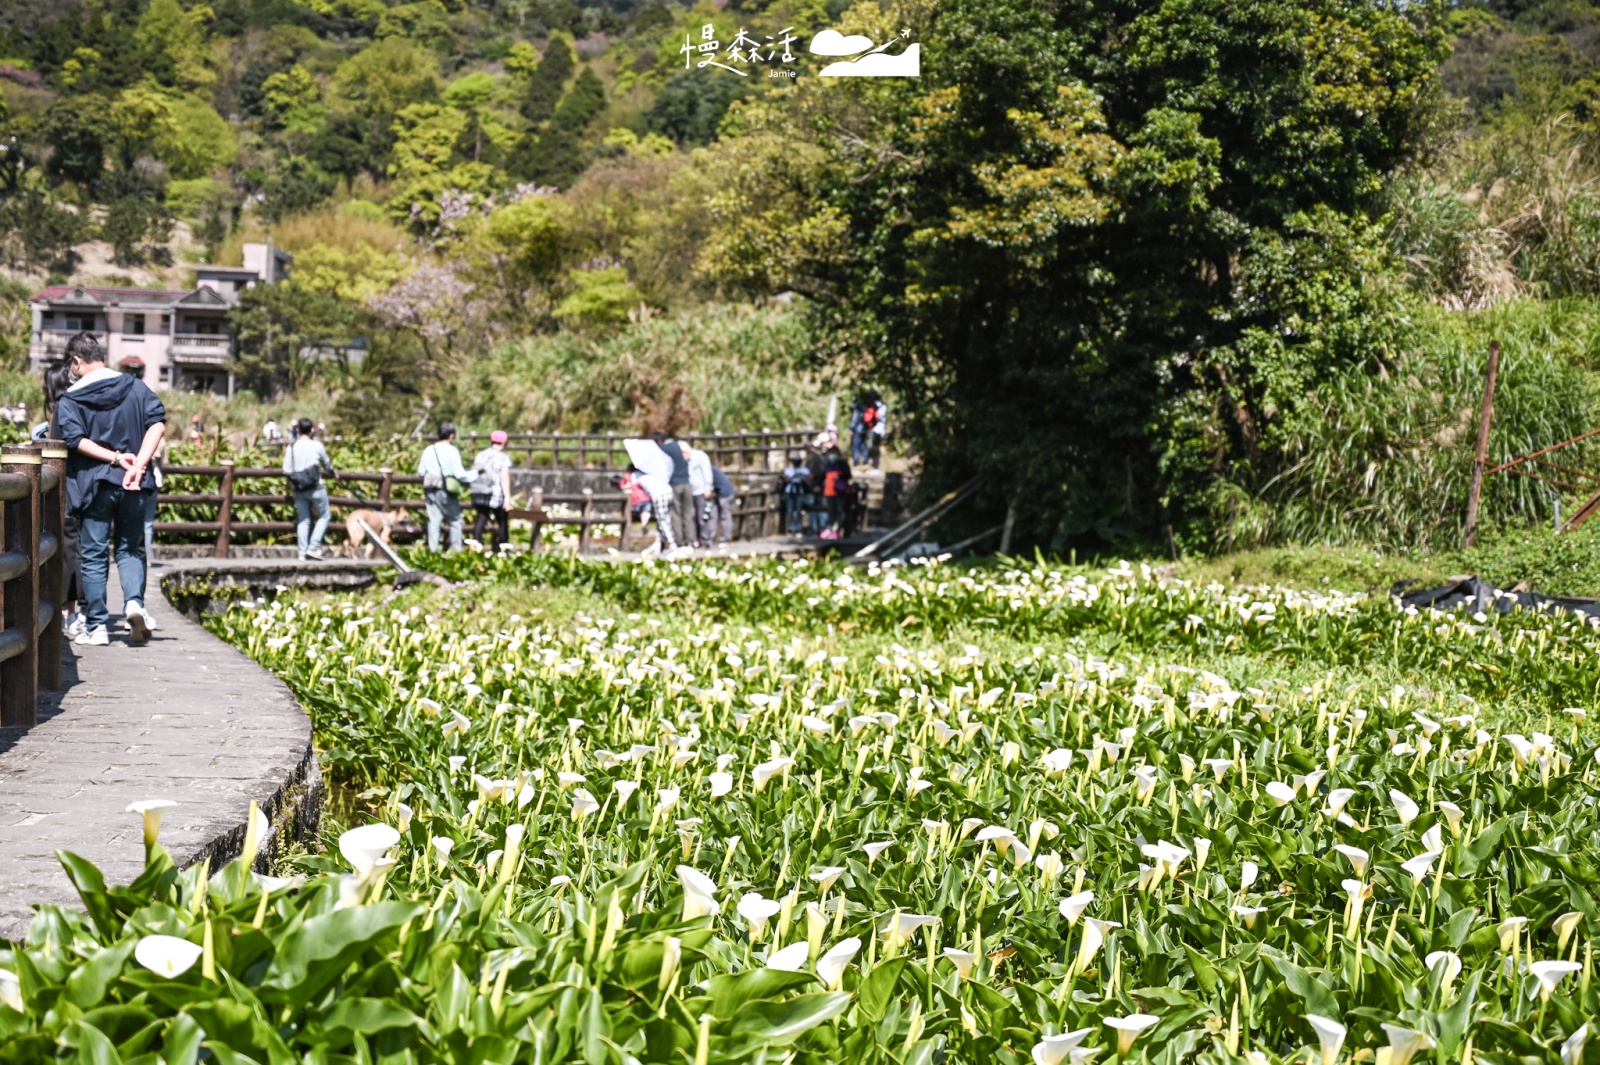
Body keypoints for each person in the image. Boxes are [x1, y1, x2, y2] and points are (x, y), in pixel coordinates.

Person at [54, 332, 166, 647]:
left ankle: (97, 626)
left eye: (70, 365)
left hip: (95, 485)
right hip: (135, 483)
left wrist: (115, 458)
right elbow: (157, 423)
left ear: (76, 362)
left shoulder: (71, 398)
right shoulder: (135, 386)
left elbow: (76, 440)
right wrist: (137, 465)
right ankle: (134, 603)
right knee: (131, 549)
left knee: (93, 554)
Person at [37, 362, 84, 636]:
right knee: (71, 548)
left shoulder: (61, 409)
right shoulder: (73, 407)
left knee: (64, 547)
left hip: (63, 491)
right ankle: (70, 610)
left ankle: (64, 610)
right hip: (74, 488)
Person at [283, 417, 336, 560]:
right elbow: (327, 464)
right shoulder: (317, 445)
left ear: (298, 430)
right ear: (312, 429)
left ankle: (302, 553)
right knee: (324, 516)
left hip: (299, 488)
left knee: (303, 520)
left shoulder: (292, 447)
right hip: (315, 486)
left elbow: (286, 469)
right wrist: (333, 473)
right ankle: (313, 547)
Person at [418, 422, 468, 552]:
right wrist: (475, 473)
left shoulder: (429, 449)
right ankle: (456, 550)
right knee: (455, 520)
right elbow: (460, 474)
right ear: (451, 436)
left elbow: (421, 472)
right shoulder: (452, 451)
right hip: (446, 489)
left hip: (430, 488)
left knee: (434, 521)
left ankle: (432, 551)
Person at [615, 465, 677, 556]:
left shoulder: (634, 475)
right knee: (665, 519)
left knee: (662, 520)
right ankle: (659, 543)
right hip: (668, 491)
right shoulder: (649, 473)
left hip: (659, 495)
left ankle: (672, 544)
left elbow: (630, 487)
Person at [469, 429, 514, 550]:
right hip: (495, 494)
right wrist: (507, 499)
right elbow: (504, 478)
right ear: (505, 442)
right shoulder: (503, 458)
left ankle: (475, 545)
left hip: (479, 492)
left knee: (481, 518)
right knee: (502, 521)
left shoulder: (481, 455)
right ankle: (503, 548)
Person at [652, 431, 695, 551]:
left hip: (675, 484)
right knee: (687, 512)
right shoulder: (677, 446)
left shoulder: (663, 449)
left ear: (659, 441)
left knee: (675, 513)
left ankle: (679, 540)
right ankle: (690, 539)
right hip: (686, 483)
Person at [685, 442, 715, 547]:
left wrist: (708, 487)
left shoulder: (700, 456)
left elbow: (706, 471)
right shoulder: (686, 460)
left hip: (701, 490)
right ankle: (695, 539)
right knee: (693, 516)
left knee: (703, 516)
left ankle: (706, 539)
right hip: (691, 491)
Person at [820, 446, 852, 541]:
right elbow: (822, 476)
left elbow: (848, 475)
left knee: (840, 511)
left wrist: (840, 476)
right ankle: (830, 530)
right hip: (829, 492)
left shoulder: (842, 464)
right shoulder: (827, 464)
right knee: (831, 511)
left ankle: (839, 530)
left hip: (840, 491)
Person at [781, 452, 809, 535]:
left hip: (799, 491)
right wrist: (794, 477)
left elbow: (810, 477)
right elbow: (786, 479)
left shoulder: (804, 469)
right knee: (790, 510)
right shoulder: (789, 469)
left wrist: (801, 476)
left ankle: (798, 528)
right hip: (790, 491)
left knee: (799, 510)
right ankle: (791, 528)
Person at [709, 462, 737, 546]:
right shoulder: (712, 467)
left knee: (725, 516)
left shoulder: (707, 469)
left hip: (725, 493)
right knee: (716, 515)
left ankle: (725, 538)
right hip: (724, 492)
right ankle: (714, 537)